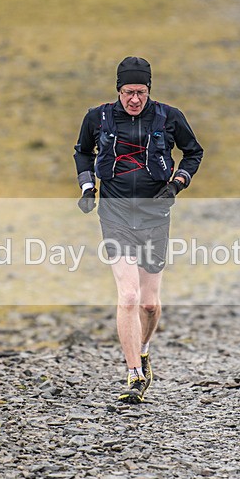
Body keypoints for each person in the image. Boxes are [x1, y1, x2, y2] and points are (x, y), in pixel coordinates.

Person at [73, 57, 203, 404]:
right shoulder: (97, 117)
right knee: (128, 296)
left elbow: (194, 152)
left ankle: (144, 350)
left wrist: (177, 183)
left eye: (141, 92)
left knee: (148, 304)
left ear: (149, 90)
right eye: (129, 92)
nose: (135, 99)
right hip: (114, 214)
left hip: (155, 215)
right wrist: (88, 188)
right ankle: (133, 375)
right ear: (118, 90)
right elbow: (83, 153)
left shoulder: (169, 116)